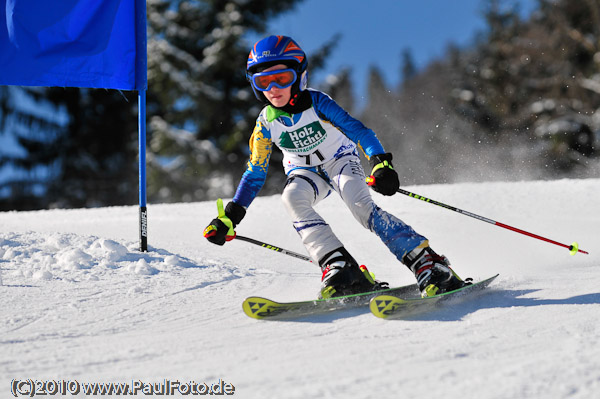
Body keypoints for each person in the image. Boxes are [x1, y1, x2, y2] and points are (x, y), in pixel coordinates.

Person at [203, 35, 469, 299]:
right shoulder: (265, 122)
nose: (272, 87)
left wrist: (380, 163)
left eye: (282, 78)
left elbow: (359, 131)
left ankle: (427, 262)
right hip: (304, 173)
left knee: (359, 203)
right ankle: (339, 267)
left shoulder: (317, 103)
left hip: (339, 160)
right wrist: (232, 214)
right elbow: (255, 172)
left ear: (299, 76)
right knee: (292, 198)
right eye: (263, 81)